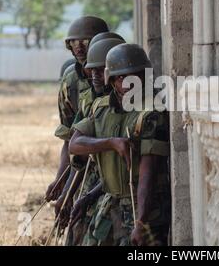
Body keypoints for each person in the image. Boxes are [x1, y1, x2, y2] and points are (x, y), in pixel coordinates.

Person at [69, 44, 171, 246]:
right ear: (112, 80)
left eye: (134, 76)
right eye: (121, 77)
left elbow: (147, 173)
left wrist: (141, 222)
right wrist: (110, 143)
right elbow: (75, 144)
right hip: (109, 204)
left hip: (142, 208)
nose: (127, 83)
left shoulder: (151, 113)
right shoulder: (101, 108)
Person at [60, 37, 126, 245]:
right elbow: (74, 145)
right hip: (99, 186)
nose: (95, 77)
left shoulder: (132, 108)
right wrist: (67, 192)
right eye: (92, 71)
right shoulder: (96, 104)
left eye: (101, 71)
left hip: (120, 194)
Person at [45, 16, 109, 205]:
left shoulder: (118, 77)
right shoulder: (70, 81)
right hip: (82, 169)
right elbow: (69, 139)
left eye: (85, 41)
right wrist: (61, 180)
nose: (79, 47)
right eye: (73, 42)